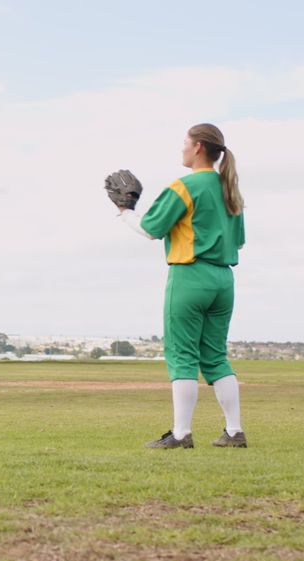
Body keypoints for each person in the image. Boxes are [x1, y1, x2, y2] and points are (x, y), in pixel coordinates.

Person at [114, 123, 247, 448]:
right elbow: (239, 242)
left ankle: (181, 434)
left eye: (185, 143)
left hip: (190, 275)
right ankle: (234, 431)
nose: (182, 148)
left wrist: (124, 211)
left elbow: (149, 229)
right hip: (224, 279)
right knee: (215, 356)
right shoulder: (230, 191)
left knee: (182, 355)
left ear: (198, 147)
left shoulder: (186, 186)